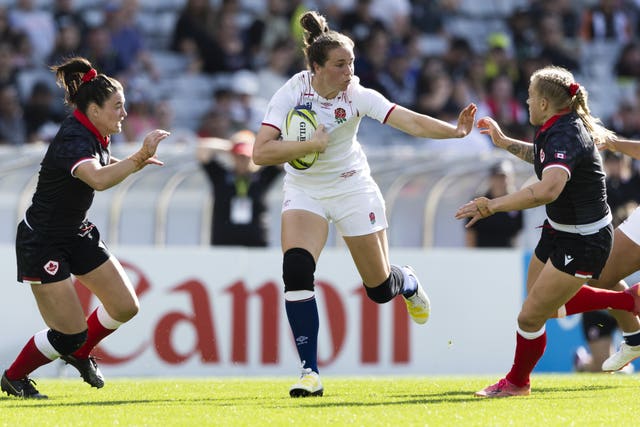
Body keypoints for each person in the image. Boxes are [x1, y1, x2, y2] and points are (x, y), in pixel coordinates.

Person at [253, 10, 477, 398]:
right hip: (305, 189)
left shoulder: (357, 95)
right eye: (341, 65)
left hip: (352, 187)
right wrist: (309, 145)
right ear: (317, 67)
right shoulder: (292, 90)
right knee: (296, 268)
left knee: (378, 289)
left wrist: (454, 131)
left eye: (352, 62)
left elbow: (407, 120)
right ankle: (310, 371)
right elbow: (260, 152)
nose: (350, 71)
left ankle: (405, 280)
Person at [455, 65, 640, 398]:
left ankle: (517, 383)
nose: (525, 101)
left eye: (529, 96)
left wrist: (493, 205)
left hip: (584, 240)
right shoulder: (553, 126)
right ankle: (627, 300)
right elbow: (542, 159)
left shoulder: (566, 133)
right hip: (559, 230)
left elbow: (548, 190)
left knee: (529, 317)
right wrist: (505, 142)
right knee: (543, 308)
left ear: (543, 103)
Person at [0, 56, 169, 399]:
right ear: (94, 110)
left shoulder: (93, 132)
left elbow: (97, 171)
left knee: (125, 306)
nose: (124, 113)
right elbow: (95, 178)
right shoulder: (75, 137)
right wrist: (137, 159)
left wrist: (132, 163)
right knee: (69, 333)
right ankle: (13, 377)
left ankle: (78, 354)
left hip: (74, 231)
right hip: (42, 241)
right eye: (118, 106)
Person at [196, 129, 282, 247]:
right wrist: (230, 146)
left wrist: (259, 148)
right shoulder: (221, 175)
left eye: (246, 156)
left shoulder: (262, 177)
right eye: (238, 156)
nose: (242, 160)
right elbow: (202, 149)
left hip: (256, 243)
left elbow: (283, 159)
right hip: (223, 244)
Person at [465, 160, 523, 248]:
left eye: (503, 177)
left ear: (511, 178)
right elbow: (470, 232)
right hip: (482, 253)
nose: (500, 181)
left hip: (506, 254)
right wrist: (472, 255)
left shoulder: (516, 204)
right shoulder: (479, 202)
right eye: (497, 177)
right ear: (491, 178)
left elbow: (516, 234)